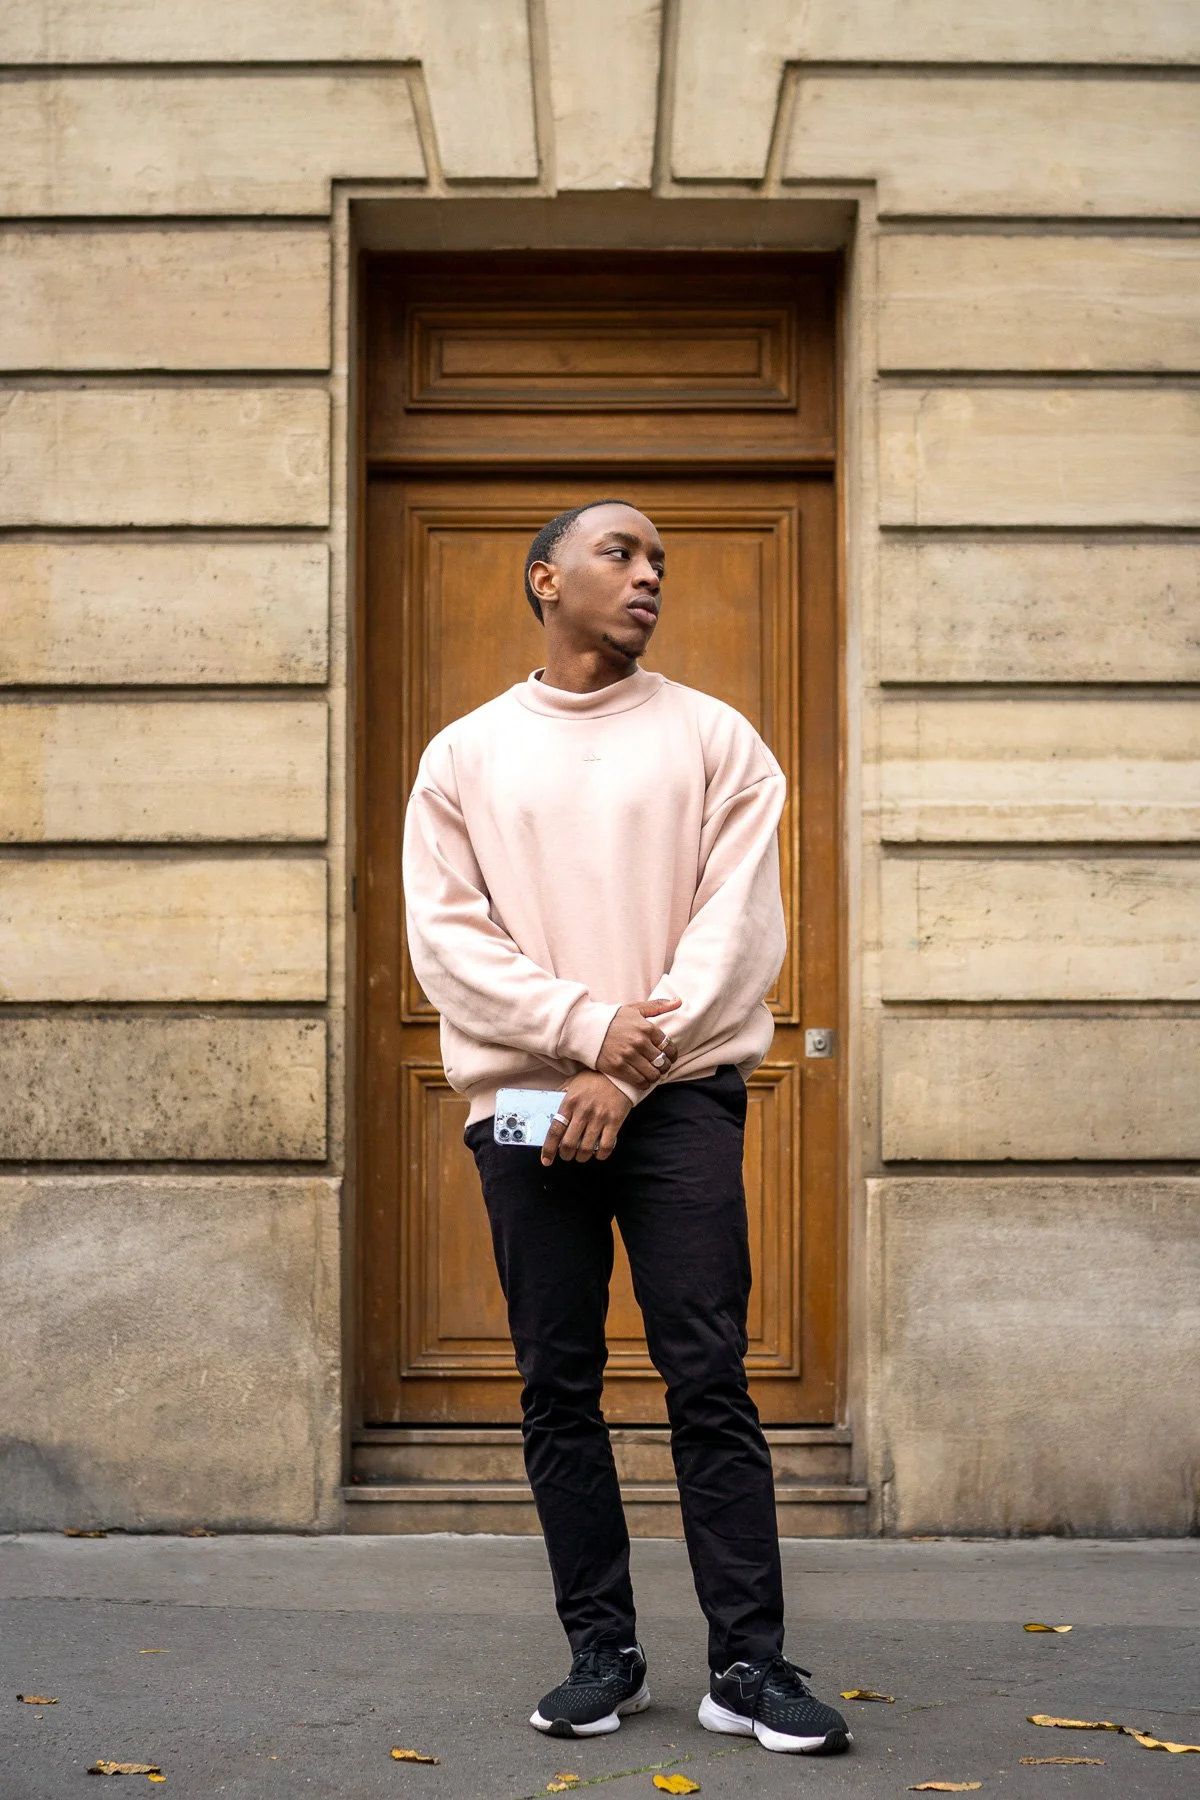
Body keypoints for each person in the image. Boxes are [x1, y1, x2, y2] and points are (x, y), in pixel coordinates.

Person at [402, 500, 850, 1757]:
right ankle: (603, 1649)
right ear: (546, 580)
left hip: (678, 1095)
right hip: (532, 1092)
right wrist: (588, 1031)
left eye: (659, 560)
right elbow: (448, 943)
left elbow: (736, 930)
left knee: (708, 1372)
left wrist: (627, 1064)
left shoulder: (717, 739)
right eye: (621, 554)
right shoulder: (466, 755)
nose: (648, 576)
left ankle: (749, 1665)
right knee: (559, 1384)